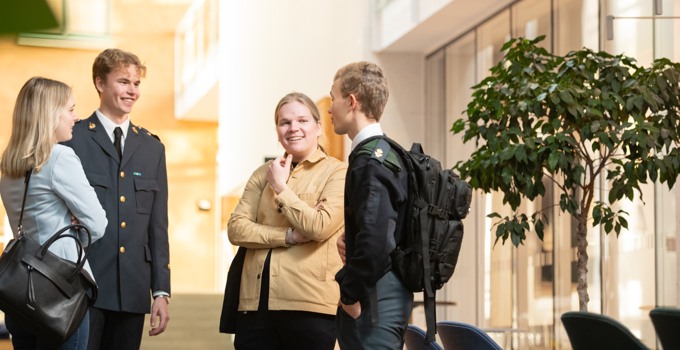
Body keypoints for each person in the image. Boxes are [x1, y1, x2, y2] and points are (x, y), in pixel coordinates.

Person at [62, 48, 170, 350]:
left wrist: (161, 291)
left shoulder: (152, 148)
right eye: (123, 82)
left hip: (132, 289)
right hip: (83, 287)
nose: (132, 91)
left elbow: (158, 226)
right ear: (100, 83)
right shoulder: (73, 138)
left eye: (136, 84)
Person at [226, 92, 346, 350]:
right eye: (285, 122)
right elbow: (236, 228)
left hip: (310, 305)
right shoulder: (262, 174)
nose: (293, 128)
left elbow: (319, 226)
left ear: (318, 126)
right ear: (278, 130)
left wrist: (281, 187)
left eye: (302, 121)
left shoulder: (337, 172)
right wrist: (288, 236)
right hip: (255, 305)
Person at [0, 76, 108, 350]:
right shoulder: (60, 157)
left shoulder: (10, 166)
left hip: (19, 294)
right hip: (58, 293)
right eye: (70, 109)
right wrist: (75, 228)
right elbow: (97, 223)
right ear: (49, 114)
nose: (76, 116)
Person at [329, 61, 414, 349]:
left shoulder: (370, 161)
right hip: (382, 289)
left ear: (351, 102)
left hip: (375, 294)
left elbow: (376, 239)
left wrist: (350, 294)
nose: (329, 108)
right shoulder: (385, 153)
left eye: (333, 98)